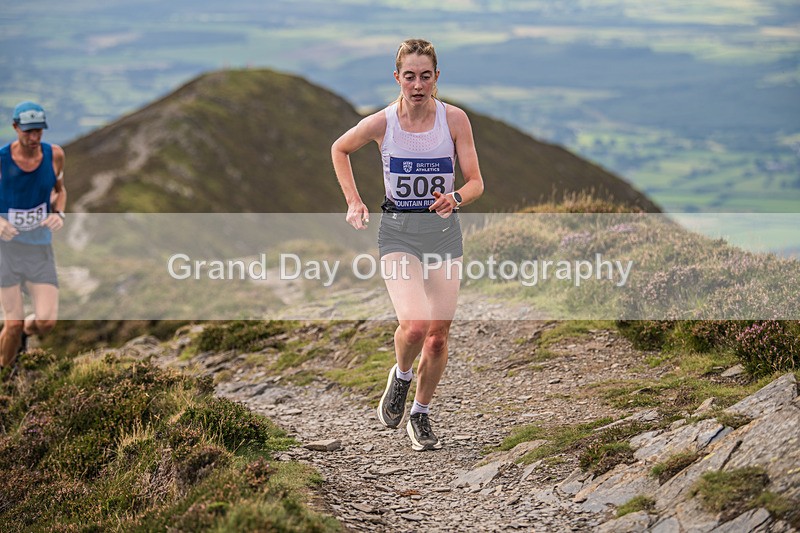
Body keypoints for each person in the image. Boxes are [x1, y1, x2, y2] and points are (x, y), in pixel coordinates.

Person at [331, 38, 484, 451]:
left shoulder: (455, 120)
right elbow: (340, 149)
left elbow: (476, 183)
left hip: (443, 234)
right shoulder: (383, 123)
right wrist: (354, 201)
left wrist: (454, 197)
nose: (418, 85)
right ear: (397, 77)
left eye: (426, 76)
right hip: (398, 232)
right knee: (415, 326)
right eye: (410, 76)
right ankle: (400, 376)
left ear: (437, 78)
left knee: (437, 337)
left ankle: (420, 413)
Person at [0, 101, 66, 376]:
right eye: (28, 131)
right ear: (15, 128)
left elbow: (60, 190)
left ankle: (26, 333)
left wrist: (58, 214)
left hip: (39, 248)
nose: (34, 136)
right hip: (6, 250)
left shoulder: (55, 155)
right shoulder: (2, 160)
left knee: (46, 322)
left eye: (38, 130)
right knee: (12, 323)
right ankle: (5, 376)